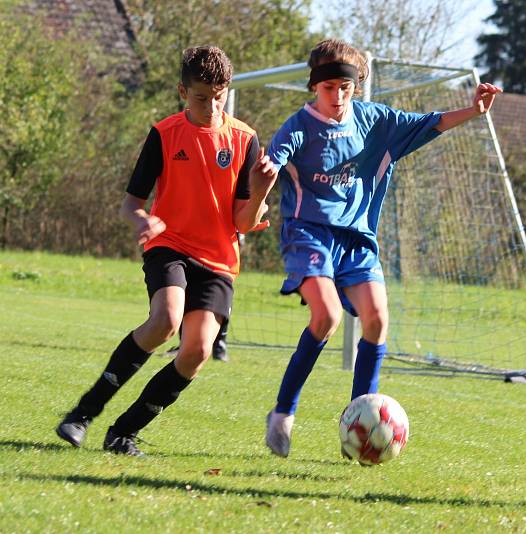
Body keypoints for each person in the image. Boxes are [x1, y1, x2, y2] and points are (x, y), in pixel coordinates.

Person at [263, 38, 502, 458]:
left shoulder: (377, 122)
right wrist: (267, 170)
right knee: (327, 317)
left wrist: (475, 110)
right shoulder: (299, 126)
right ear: (313, 86)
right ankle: (283, 414)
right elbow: (276, 157)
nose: (337, 96)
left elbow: (431, 121)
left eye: (345, 87)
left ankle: (359, 420)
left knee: (376, 319)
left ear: (357, 85)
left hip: (356, 241)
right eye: (327, 88)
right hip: (308, 233)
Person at [55, 45, 277, 456]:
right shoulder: (164, 133)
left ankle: (124, 432)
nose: (211, 106)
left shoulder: (245, 139)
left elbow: (243, 223)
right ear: (181, 91)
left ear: (227, 90)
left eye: (219, 95)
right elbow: (131, 203)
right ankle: (82, 414)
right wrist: (142, 221)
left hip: (219, 260)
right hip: (169, 245)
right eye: (200, 97)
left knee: (196, 351)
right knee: (165, 320)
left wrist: (262, 189)